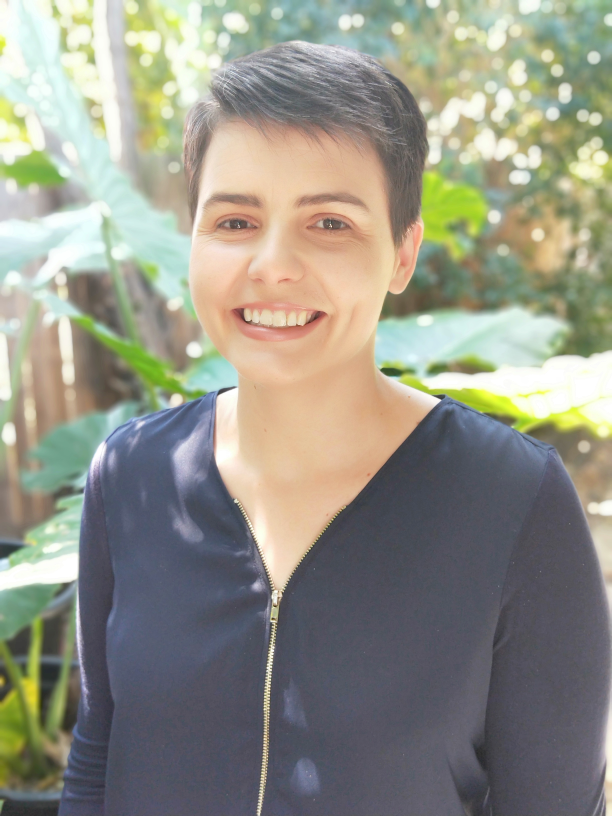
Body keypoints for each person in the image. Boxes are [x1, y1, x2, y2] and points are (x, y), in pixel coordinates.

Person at [58, 41, 611, 816]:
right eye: (236, 220)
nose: (272, 264)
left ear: (402, 252)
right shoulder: (132, 477)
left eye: (328, 222)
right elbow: (99, 758)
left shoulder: (512, 502)